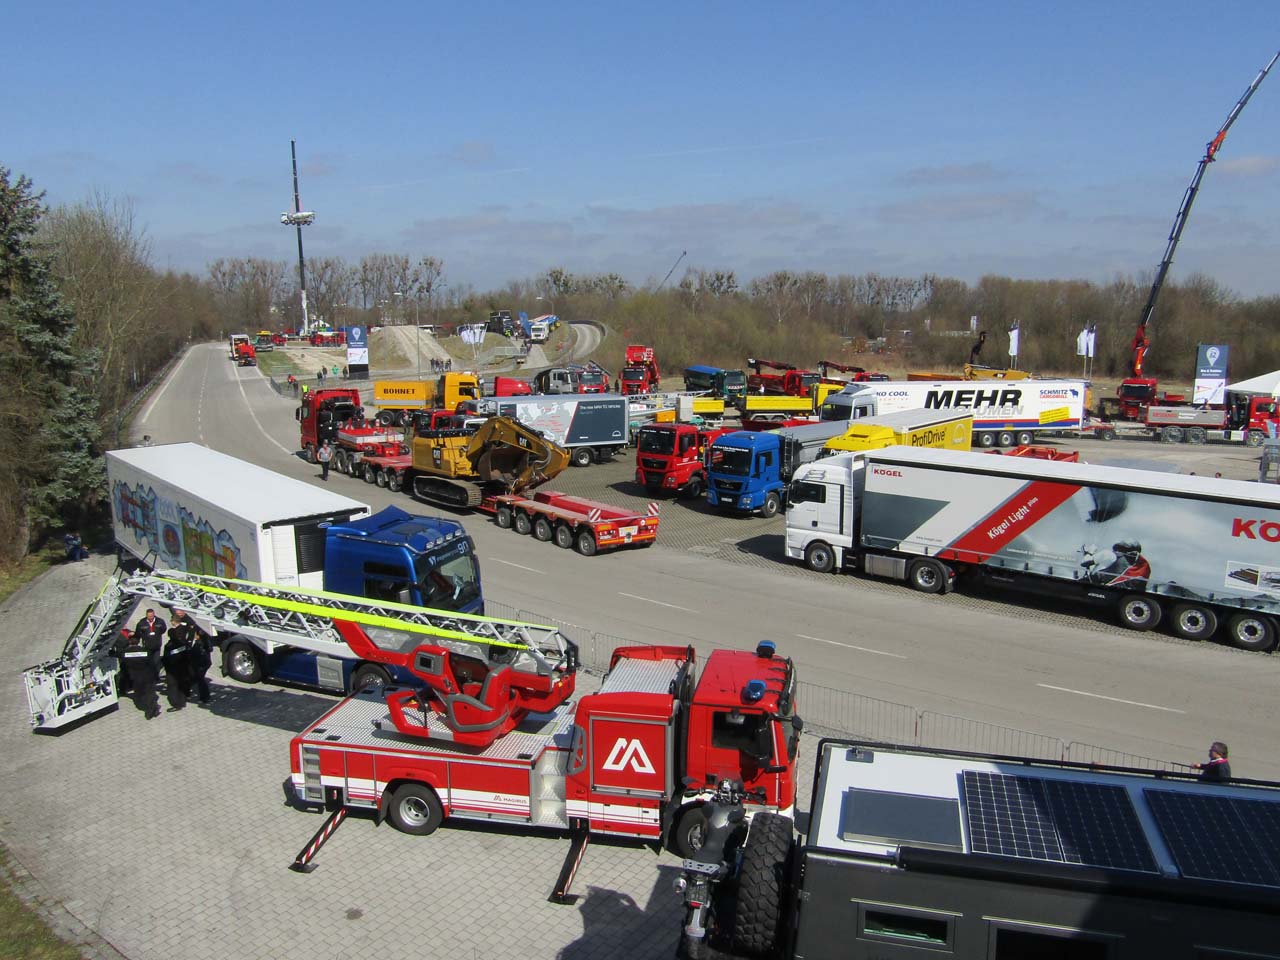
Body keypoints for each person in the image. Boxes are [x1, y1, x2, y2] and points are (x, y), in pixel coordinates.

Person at [162, 610, 196, 711]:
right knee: (182, 683)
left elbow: (166, 659)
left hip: (173, 670)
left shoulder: (169, 646)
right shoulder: (183, 644)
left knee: (172, 687)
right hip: (182, 666)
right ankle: (183, 700)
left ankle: (176, 704)